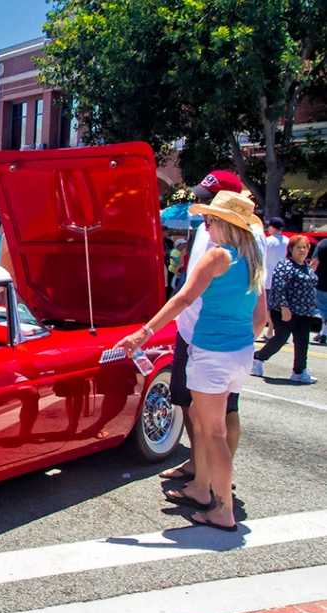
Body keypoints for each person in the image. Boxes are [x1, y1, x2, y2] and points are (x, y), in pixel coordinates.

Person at [116, 191, 266, 532]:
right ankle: (201, 488)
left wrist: (144, 333)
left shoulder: (218, 256)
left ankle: (223, 508)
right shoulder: (252, 256)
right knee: (204, 420)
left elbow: (183, 297)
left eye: (210, 221)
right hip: (239, 352)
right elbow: (261, 317)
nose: (206, 226)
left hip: (211, 352)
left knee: (211, 431)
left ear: (225, 224)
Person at [157, 170, 252, 485]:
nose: (202, 205)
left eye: (209, 201)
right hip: (195, 333)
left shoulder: (246, 240)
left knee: (219, 416)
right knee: (188, 403)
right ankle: (200, 467)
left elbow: (185, 296)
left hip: (212, 339)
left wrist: (146, 330)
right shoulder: (206, 232)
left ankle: (215, 478)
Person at [252, 235, 318, 383]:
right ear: (291, 249)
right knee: (280, 339)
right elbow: (279, 287)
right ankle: (258, 358)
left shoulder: (307, 267)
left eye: (305, 247)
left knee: (302, 342)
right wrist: (284, 307)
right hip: (285, 311)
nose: (302, 250)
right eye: (298, 247)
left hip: (305, 312)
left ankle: (299, 372)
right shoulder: (285, 265)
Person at [258, 217, 290, 341]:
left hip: (267, 279)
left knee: (267, 307)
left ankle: (271, 330)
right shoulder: (288, 242)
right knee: (279, 307)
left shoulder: (267, 241)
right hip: (284, 279)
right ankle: (273, 331)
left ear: (272, 227)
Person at [311, 236, 327, 343]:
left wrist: (308, 277)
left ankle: (323, 334)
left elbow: (314, 262)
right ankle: (323, 333)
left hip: (322, 284)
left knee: (324, 311)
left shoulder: (323, 244)